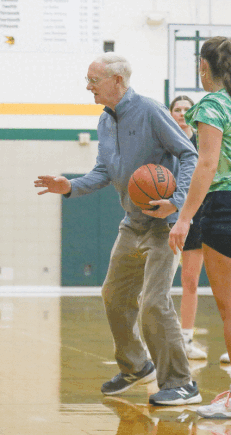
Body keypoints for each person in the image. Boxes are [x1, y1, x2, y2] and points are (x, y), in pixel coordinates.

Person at [35, 53, 201, 405]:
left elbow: (190, 155)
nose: (88, 86)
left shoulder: (152, 111)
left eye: (93, 80)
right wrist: (71, 186)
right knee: (114, 295)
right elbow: (104, 171)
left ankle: (182, 383)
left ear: (117, 82)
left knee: (154, 304)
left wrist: (178, 200)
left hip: (162, 225)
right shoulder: (104, 121)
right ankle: (136, 366)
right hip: (131, 225)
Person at [169, 36, 231, 418]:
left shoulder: (213, 104)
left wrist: (185, 216)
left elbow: (207, 165)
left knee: (229, 310)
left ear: (203, 67)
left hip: (223, 205)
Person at [169, 96, 207, 360]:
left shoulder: (204, 141)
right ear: (170, 113)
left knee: (190, 281)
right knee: (156, 282)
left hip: (197, 216)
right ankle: (156, 339)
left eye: (186, 109)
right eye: (177, 109)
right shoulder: (163, 140)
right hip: (167, 215)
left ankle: (186, 339)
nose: (182, 113)